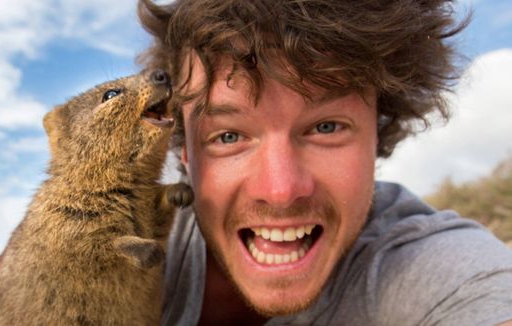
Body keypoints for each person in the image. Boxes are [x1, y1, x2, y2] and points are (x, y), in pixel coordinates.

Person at [137, 0, 512, 325]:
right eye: (229, 136)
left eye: (326, 127)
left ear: (376, 134)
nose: (280, 191)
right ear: (185, 152)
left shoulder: (440, 269)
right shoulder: (125, 239)